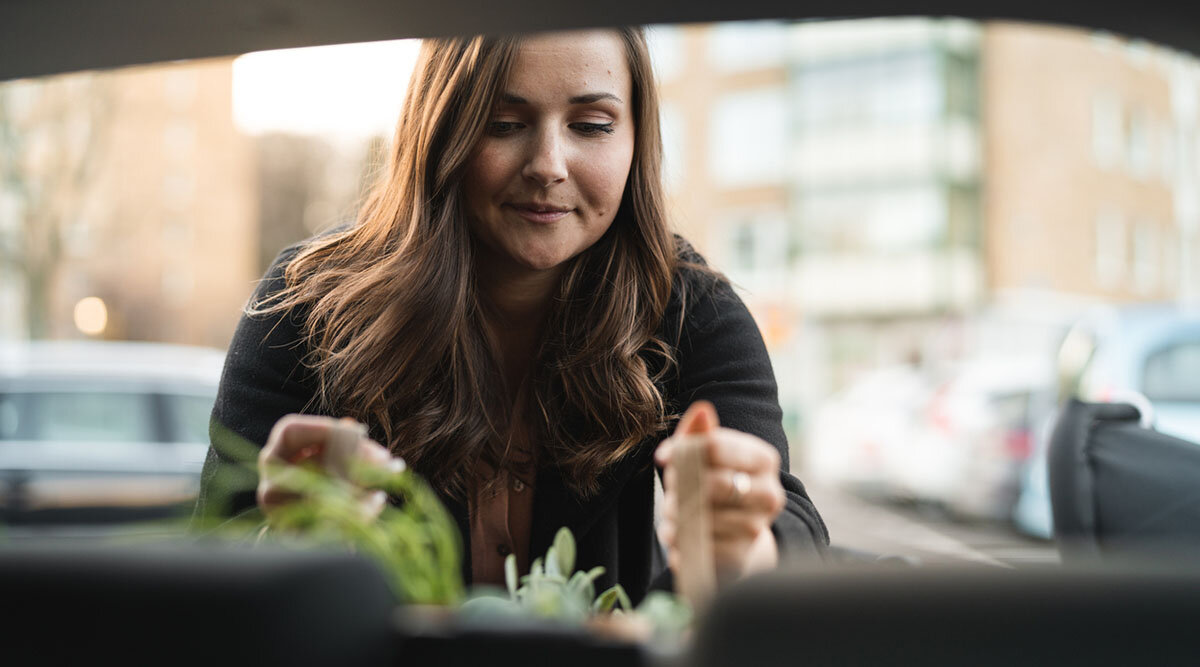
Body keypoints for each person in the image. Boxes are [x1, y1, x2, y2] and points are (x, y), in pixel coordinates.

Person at [195, 27, 828, 602]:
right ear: (442, 129)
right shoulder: (306, 301)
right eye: (504, 122)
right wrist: (286, 538)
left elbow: (789, 529)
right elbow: (208, 568)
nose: (548, 165)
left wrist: (745, 546)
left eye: (592, 124)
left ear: (636, 139)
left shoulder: (693, 308)